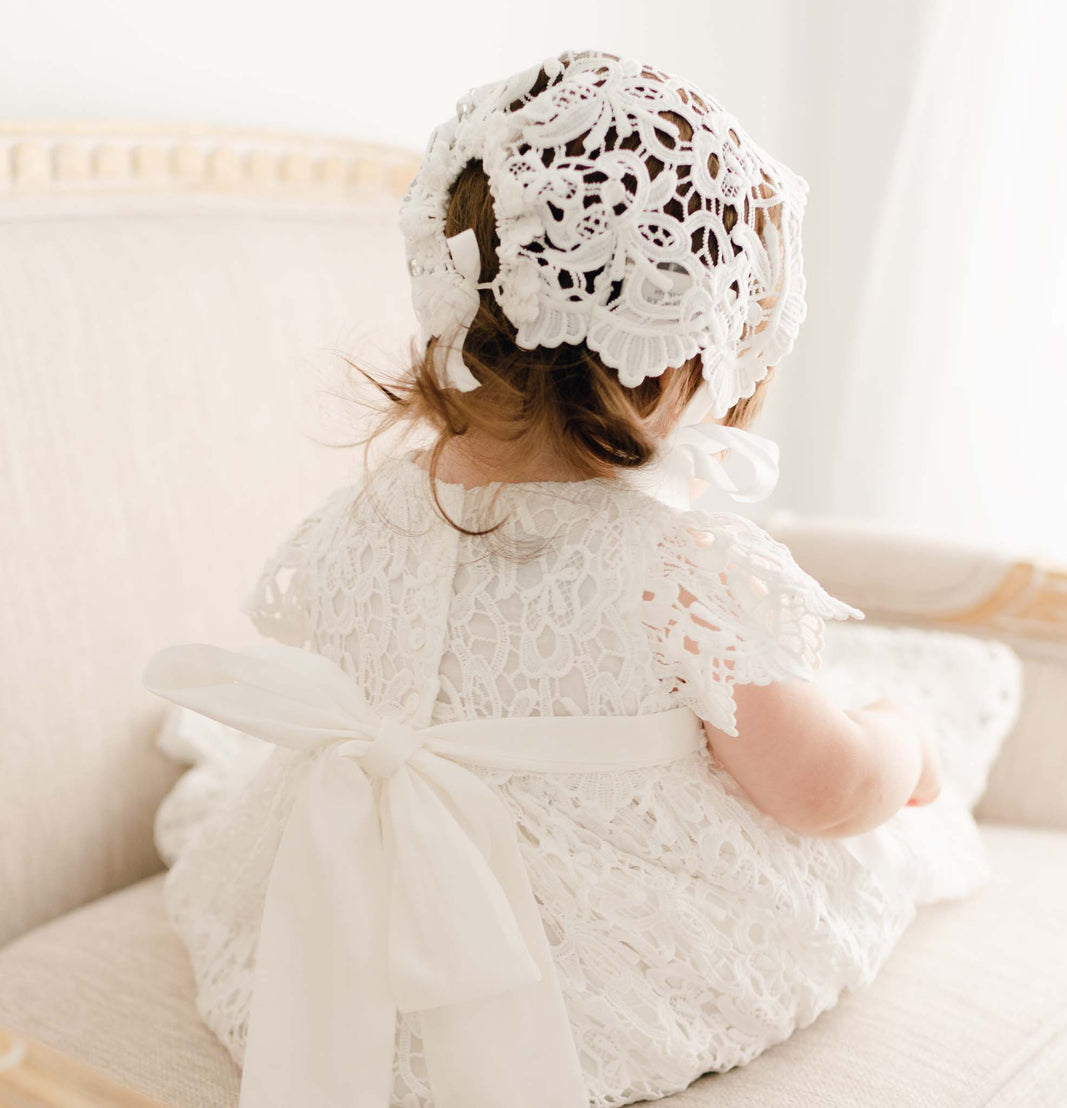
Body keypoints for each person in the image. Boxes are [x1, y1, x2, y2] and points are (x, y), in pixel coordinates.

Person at [142, 48, 994, 1108]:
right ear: (677, 357)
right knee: (887, 777)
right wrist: (899, 742)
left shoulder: (368, 512)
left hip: (351, 916)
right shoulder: (678, 571)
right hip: (575, 973)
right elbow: (819, 789)